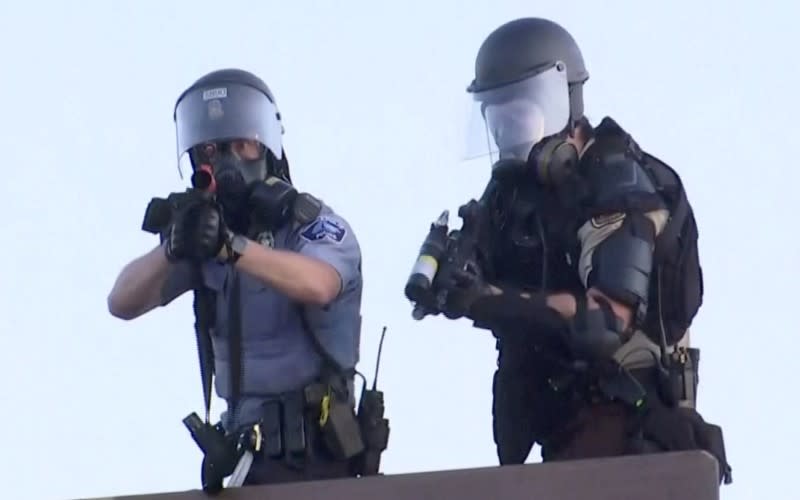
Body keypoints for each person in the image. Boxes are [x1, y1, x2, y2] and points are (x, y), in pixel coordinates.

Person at [423, 17, 732, 484]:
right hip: (563, 432)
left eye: (520, 114)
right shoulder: (513, 198)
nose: (509, 132)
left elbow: (605, 321)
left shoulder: (616, 183)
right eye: (497, 118)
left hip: (629, 430)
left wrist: (490, 301)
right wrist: (452, 281)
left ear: (562, 101)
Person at [106, 68, 366, 485]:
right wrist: (174, 245)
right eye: (210, 149)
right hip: (242, 459)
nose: (225, 162)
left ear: (266, 148)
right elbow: (122, 302)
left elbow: (320, 284)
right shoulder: (201, 239)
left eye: (240, 144)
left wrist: (232, 248)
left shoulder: (309, 225)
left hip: (319, 461)